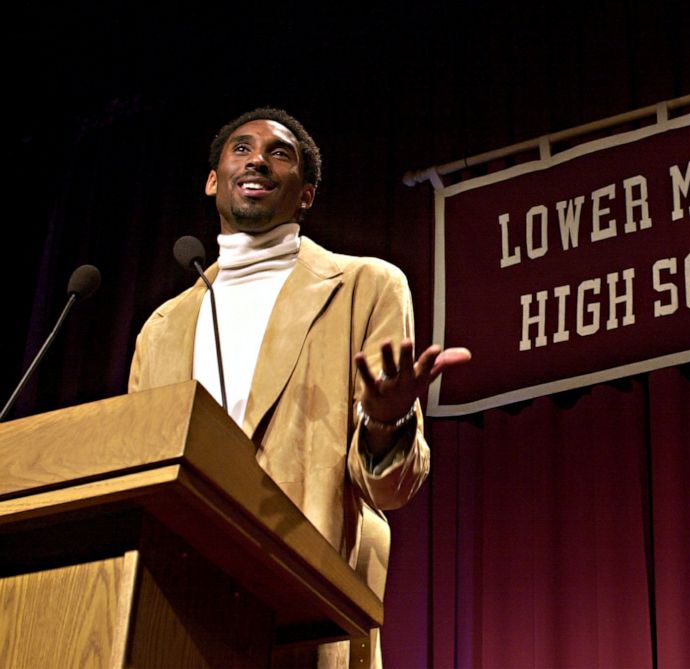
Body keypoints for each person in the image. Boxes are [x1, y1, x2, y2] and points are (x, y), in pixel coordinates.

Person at [128, 108, 469, 667]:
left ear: (305, 195)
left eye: (278, 153)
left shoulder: (367, 285)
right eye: (241, 149)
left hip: (301, 610)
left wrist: (386, 423)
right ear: (214, 180)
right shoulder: (162, 329)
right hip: (171, 604)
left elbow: (389, 491)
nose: (257, 158)